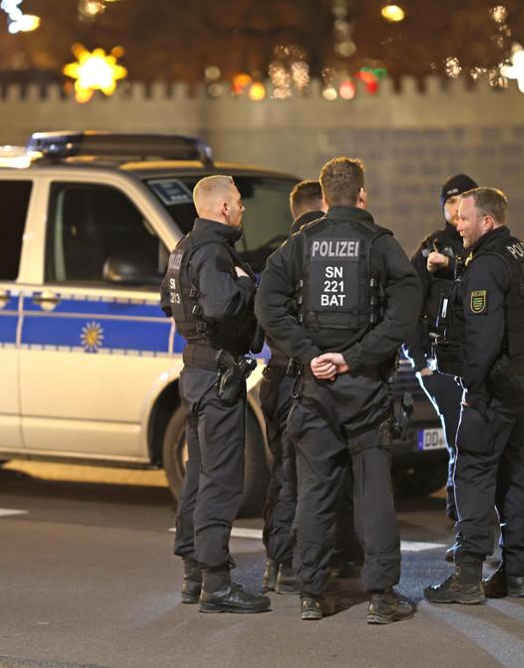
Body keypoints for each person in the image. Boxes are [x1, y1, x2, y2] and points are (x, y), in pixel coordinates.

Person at [256, 157, 420, 624]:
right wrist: (357, 355)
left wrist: (309, 353)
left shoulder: (300, 244)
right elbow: (405, 309)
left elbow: (268, 303)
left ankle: (311, 592)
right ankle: (382, 595)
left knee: (314, 490)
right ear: (362, 196)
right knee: (373, 493)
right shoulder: (380, 244)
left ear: (324, 200)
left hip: (315, 387)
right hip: (365, 387)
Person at [425, 188, 524, 604]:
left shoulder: (488, 267)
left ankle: (468, 575)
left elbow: (483, 337)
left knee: (473, 474)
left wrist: (473, 388)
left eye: (463, 218)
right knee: (511, 473)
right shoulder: (521, 254)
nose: (457, 225)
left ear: (487, 223)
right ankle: (516, 574)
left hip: (493, 389)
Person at [161, 174, 270, 614]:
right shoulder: (213, 253)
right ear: (223, 207)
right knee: (222, 483)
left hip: (196, 372)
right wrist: (247, 283)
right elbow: (222, 305)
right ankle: (216, 584)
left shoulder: (184, 247)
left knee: (199, 475)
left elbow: (167, 302)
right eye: (240, 202)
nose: (243, 209)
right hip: (218, 375)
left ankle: (193, 574)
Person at [405, 174, 478, 556]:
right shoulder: (431, 248)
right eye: (449, 202)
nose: (455, 209)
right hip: (444, 364)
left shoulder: (484, 247)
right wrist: (420, 362)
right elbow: (409, 305)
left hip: (478, 362)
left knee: (481, 441)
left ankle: (484, 517)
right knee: (459, 439)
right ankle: (461, 515)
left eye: (463, 200)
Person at [260, 180, 324, 595]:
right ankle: (290, 565)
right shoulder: (313, 255)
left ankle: (276, 563)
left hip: (276, 377)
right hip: (300, 377)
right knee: (301, 475)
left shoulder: (277, 256)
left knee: (284, 474)